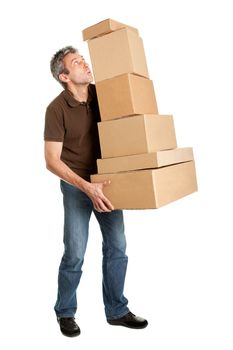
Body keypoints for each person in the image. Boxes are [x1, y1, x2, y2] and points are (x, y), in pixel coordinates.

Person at [44, 46, 148, 337]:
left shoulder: (104, 96)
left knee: (117, 246)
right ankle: (65, 312)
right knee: (75, 252)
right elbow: (51, 160)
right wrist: (86, 187)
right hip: (76, 185)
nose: (85, 63)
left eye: (83, 58)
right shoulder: (56, 109)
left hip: (107, 182)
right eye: (77, 62)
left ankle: (116, 310)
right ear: (64, 76)